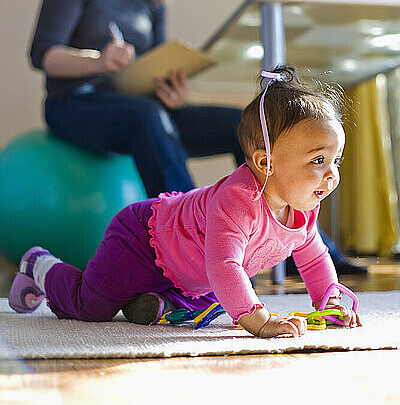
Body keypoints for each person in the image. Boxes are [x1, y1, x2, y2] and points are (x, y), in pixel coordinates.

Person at [9, 66, 362, 339]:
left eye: (336, 160)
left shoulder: (302, 208)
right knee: (90, 306)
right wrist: (259, 320)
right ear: (265, 163)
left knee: (222, 298)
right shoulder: (237, 201)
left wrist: (328, 303)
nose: (331, 173)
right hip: (143, 238)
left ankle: (159, 304)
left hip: (189, 269)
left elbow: (314, 257)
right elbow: (225, 265)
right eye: (318, 161)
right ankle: (40, 264)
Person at [29, 0, 244, 198]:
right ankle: (191, 230)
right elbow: (42, 53)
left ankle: (291, 243)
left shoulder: (152, 1)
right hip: (73, 103)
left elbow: (156, 67)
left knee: (242, 124)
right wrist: (97, 62)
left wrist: (174, 94)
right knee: (146, 115)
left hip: (142, 108)